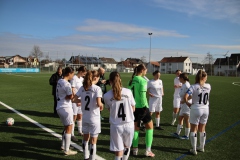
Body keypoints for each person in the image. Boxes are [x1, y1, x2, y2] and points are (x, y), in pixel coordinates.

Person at [72, 70, 103, 160]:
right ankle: (91, 158)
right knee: (93, 141)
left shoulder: (83, 88)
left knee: (85, 138)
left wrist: (82, 101)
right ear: (95, 78)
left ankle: (85, 157)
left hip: (85, 117)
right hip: (94, 118)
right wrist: (102, 105)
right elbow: (98, 103)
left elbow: (73, 99)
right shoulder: (97, 88)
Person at [104, 72, 135, 160]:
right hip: (129, 124)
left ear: (110, 81)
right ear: (120, 80)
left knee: (118, 151)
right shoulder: (128, 92)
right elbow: (133, 108)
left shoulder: (106, 96)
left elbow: (110, 109)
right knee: (127, 147)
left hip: (116, 125)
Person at [128, 64, 155, 157]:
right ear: (142, 70)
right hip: (142, 107)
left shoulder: (132, 80)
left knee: (136, 128)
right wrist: (145, 108)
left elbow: (129, 93)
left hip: (133, 107)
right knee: (150, 127)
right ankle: (148, 150)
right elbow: (143, 96)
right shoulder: (142, 81)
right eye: (146, 69)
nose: (146, 71)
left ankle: (135, 149)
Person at [184, 70, 211, 155]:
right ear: (203, 77)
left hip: (196, 108)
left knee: (194, 129)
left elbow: (186, 96)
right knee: (202, 129)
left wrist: (188, 103)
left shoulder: (193, 87)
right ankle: (202, 147)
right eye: (206, 77)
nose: (207, 78)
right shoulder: (208, 86)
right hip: (206, 109)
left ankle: (194, 149)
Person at [56, 67, 77, 156]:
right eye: (73, 74)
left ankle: (63, 145)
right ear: (69, 73)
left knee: (66, 128)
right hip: (66, 108)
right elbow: (69, 96)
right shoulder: (67, 84)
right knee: (69, 128)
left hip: (59, 106)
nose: (73, 75)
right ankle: (67, 150)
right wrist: (74, 97)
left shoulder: (60, 81)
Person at [172, 73, 191, 139]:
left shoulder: (187, 85)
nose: (178, 79)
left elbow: (191, 95)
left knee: (186, 120)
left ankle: (186, 135)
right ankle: (177, 133)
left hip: (186, 105)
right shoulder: (183, 84)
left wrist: (184, 101)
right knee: (180, 118)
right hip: (183, 105)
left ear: (182, 78)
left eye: (179, 78)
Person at [70, 66, 87, 142]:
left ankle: (80, 131)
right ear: (80, 71)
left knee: (80, 116)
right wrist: (76, 100)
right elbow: (72, 89)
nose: (84, 74)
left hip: (81, 100)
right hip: (75, 100)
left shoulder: (82, 79)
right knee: (74, 116)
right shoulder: (74, 78)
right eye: (84, 73)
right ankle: (72, 134)